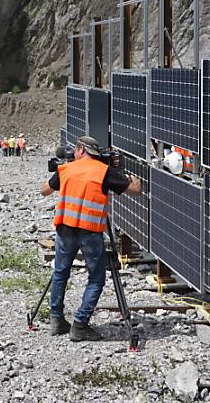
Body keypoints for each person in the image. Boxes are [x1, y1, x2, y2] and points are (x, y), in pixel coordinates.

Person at [39, 136, 141, 341]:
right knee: (96, 278)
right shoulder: (104, 172)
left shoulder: (66, 170)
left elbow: (44, 190)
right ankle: (80, 324)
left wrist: (64, 172)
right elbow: (135, 191)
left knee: (60, 273)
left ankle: (57, 319)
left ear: (80, 150)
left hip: (65, 229)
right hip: (90, 231)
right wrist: (134, 180)